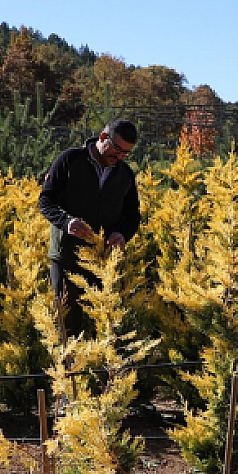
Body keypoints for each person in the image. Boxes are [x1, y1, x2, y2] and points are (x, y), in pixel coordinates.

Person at [38, 118, 142, 334]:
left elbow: (132, 215)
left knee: (104, 327)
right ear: (103, 138)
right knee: (67, 326)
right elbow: (46, 201)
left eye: (126, 153)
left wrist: (122, 234)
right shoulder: (70, 160)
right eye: (116, 150)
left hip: (102, 261)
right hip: (67, 258)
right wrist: (66, 222)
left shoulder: (125, 175)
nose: (120, 157)